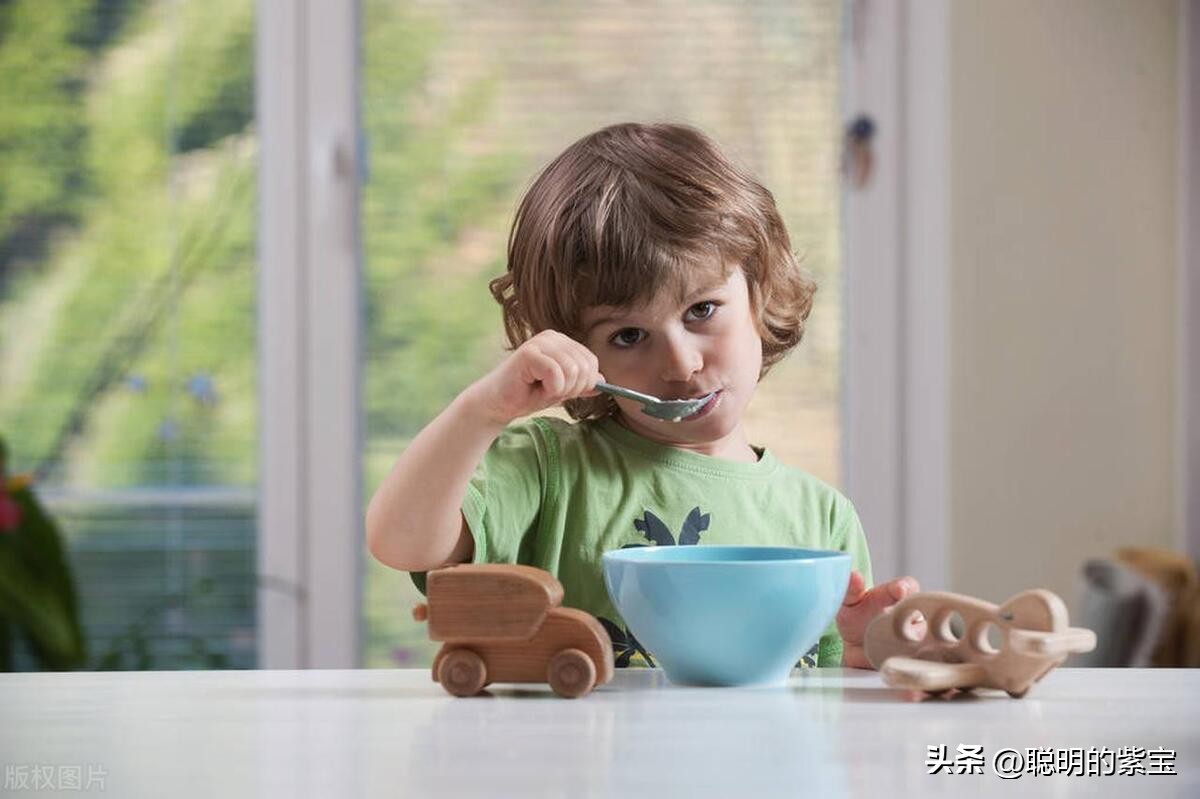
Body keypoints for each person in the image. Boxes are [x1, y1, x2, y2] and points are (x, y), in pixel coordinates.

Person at [366, 122, 920, 668]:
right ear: (579, 349)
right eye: (628, 336)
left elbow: (829, 712)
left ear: (760, 289)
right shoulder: (547, 469)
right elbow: (401, 542)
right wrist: (483, 411)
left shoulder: (823, 518)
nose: (680, 364)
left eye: (702, 310)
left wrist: (861, 654)